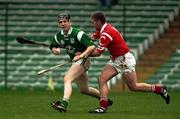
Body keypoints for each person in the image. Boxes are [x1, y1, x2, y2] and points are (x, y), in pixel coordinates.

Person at [75, 11, 170, 113]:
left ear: (98, 22)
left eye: (93, 22)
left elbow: (98, 53)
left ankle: (159, 90)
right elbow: (93, 36)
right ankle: (103, 107)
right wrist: (83, 40)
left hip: (124, 60)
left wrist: (82, 55)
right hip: (117, 59)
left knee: (134, 87)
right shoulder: (105, 28)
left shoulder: (106, 34)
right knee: (102, 79)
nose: (92, 24)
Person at [49, 12, 113, 113]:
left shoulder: (78, 33)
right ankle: (104, 99)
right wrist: (54, 50)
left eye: (65, 21)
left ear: (70, 22)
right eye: (60, 22)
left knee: (67, 78)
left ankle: (63, 104)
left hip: (83, 60)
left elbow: (91, 47)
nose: (63, 23)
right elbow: (53, 45)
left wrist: (81, 55)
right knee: (84, 89)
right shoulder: (58, 36)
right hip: (76, 61)